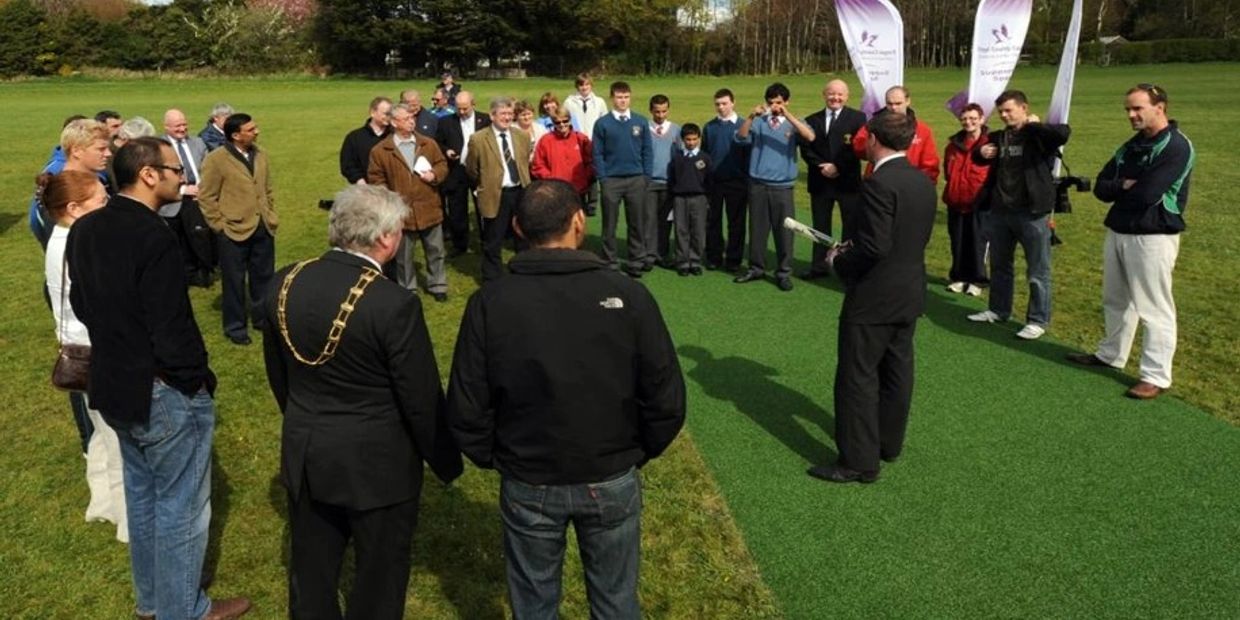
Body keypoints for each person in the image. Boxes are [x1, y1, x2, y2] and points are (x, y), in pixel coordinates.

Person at [447, 179, 686, 620]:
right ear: (579, 221)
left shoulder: (623, 295)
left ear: (517, 227)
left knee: (551, 606)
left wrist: (633, 453)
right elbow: (666, 396)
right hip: (570, 473)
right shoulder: (493, 302)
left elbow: (664, 398)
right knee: (611, 604)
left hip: (563, 472)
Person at [67, 136, 250, 620]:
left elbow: (83, 305)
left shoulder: (86, 229)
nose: (182, 176)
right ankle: (182, 609)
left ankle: (153, 602)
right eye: (174, 169)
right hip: (162, 389)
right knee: (180, 506)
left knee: (145, 498)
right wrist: (195, 382)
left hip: (113, 384)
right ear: (149, 174)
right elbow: (172, 325)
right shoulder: (154, 235)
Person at [262, 183, 463, 620]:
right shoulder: (393, 304)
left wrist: (302, 419)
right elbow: (420, 396)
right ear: (387, 238)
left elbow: (279, 375)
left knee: (311, 568)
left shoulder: (284, 281)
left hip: (306, 449)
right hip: (378, 465)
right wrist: (446, 460)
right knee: (380, 575)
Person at [810, 111, 936, 484]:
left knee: (858, 376)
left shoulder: (879, 184)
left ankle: (858, 461)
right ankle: (887, 443)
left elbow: (875, 246)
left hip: (874, 296)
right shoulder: (922, 180)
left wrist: (839, 260)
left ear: (875, 140)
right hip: (909, 290)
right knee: (897, 371)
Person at [1067, 83, 1195, 400]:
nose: (1131, 114)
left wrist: (1123, 187)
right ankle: (1111, 354)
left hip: (1154, 235)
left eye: (1138, 108)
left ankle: (1155, 375)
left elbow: (1148, 194)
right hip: (1119, 229)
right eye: (1128, 109)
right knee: (1115, 299)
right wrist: (1124, 184)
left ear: (1160, 108)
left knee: (1154, 307)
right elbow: (1101, 187)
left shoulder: (1176, 146)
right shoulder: (1131, 145)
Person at [40, 169, 128, 542]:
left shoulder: (61, 238)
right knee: (120, 439)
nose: (109, 206)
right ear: (74, 208)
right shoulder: (79, 244)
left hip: (79, 348)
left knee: (102, 431)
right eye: (101, 201)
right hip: (96, 350)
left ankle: (103, 503)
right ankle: (128, 521)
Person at [966, 90, 1071, 340]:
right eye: (1001, 111)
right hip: (1001, 211)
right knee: (1000, 265)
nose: (1004, 115)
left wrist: (1036, 126)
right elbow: (977, 155)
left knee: (1037, 270)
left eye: (1009, 110)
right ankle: (998, 309)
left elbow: (1062, 134)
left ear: (1024, 108)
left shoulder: (1037, 135)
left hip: (1032, 213)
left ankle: (1037, 320)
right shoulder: (999, 137)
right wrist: (981, 153)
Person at [198, 113, 278, 346]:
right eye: (251, 129)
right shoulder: (216, 159)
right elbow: (206, 196)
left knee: (264, 277)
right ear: (235, 135)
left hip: (262, 226)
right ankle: (235, 327)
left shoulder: (260, 154)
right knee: (234, 281)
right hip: (233, 231)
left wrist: (270, 214)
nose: (257, 131)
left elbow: (267, 188)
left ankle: (262, 319)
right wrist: (219, 226)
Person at [732, 82, 815, 292]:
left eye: (779, 102)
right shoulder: (759, 122)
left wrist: (788, 115)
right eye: (771, 102)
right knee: (757, 230)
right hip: (758, 184)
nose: (775, 106)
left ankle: (784, 272)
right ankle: (756, 268)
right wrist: (751, 116)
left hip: (783, 187)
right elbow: (740, 137)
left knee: (784, 232)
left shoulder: (794, 123)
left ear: (786, 102)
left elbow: (810, 136)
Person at [367, 103, 451, 301]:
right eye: (406, 119)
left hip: (429, 207)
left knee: (436, 250)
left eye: (412, 117)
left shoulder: (428, 144)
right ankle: (408, 289)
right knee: (403, 257)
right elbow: (376, 180)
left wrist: (435, 174)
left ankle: (438, 285)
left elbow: (442, 165)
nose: (412, 121)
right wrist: (391, 202)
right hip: (401, 214)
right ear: (394, 123)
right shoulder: (381, 151)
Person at [799, 79, 866, 278]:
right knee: (820, 227)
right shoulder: (811, 120)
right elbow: (806, 149)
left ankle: (846, 268)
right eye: (831, 93)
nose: (835, 98)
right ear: (824, 95)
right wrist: (822, 165)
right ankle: (819, 266)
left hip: (848, 183)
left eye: (840, 94)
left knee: (850, 228)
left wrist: (838, 167)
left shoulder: (858, 118)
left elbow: (858, 149)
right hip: (820, 182)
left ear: (847, 96)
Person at [466, 97, 532, 281]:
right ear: (492, 115)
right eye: (503, 114)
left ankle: (523, 273)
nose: (507, 117)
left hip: (519, 192)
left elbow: (524, 162)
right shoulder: (478, 139)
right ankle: (492, 279)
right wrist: (485, 184)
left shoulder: (522, 136)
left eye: (510, 114)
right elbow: (472, 169)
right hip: (495, 195)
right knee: (493, 240)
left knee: (523, 236)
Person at [592, 81, 654, 276]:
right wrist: (603, 178)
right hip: (612, 181)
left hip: (636, 179)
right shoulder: (602, 123)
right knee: (609, 224)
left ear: (630, 97)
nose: (623, 101)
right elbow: (597, 154)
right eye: (619, 97)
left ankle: (636, 260)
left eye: (626, 97)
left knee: (637, 222)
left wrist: (646, 176)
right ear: (612, 98)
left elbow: (647, 150)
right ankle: (609, 260)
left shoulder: (640, 121)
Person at [29, 119, 112, 248]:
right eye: (101, 149)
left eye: (108, 148)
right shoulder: (61, 191)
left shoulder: (97, 179)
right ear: (76, 151)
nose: (108, 154)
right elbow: (38, 224)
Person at [162, 108, 216, 288]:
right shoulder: (160, 147)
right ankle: (187, 273)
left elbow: (208, 169)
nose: (182, 129)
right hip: (174, 200)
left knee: (201, 235)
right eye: (177, 126)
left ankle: (205, 270)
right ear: (166, 127)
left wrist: (203, 188)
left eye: (184, 124)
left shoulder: (198, 142)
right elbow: (160, 176)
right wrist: (184, 189)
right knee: (180, 240)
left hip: (199, 197)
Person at [941, 103, 991, 297]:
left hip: (979, 203)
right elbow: (948, 172)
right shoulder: (952, 146)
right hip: (956, 200)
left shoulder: (989, 144)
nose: (968, 122)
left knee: (978, 242)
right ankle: (959, 277)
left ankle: (977, 280)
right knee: (958, 241)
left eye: (973, 118)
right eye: (964, 119)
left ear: (982, 119)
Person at [435, 90, 491, 255]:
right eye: (458, 108)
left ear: (473, 104)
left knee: (483, 207)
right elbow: (437, 142)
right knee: (457, 209)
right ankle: (459, 245)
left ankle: (486, 241)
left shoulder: (485, 120)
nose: (461, 111)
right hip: (456, 170)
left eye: (465, 108)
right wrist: (447, 151)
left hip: (479, 170)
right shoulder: (446, 122)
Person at [702, 88, 749, 272]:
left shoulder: (744, 125)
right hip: (714, 182)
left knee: (736, 223)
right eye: (718, 104)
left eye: (724, 103)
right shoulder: (709, 127)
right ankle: (714, 256)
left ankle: (733, 260)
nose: (721, 107)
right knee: (712, 221)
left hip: (737, 182)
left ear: (733, 103)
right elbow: (705, 155)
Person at [851, 86, 940, 183]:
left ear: (907, 101)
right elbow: (858, 146)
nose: (894, 108)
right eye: (890, 104)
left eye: (898, 103)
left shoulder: (922, 130)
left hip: (909, 182)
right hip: (879, 180)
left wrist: (924, 184)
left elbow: (930, 164)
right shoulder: (875, 125)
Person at [668, 123, 711, 276]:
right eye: (688, 139)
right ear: (683, 140)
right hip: (680, 199)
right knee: (681, 230)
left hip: (699, 198)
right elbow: (672, 178)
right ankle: (683, 262)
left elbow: (709, 179)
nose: (691, 143)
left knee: (698, 231)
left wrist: (706, 198)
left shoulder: (705, 158)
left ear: (699, 139)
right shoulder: (677, 158)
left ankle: (695, 260)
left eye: (694, 139)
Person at [531, 108, 593, 207]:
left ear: (570, 120)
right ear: (553, 123)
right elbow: (538, 165)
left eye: (565, 121)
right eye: (557, 122)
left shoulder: (581, 139)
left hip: (578, 190)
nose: (562, 124)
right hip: (555, 191)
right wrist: (551, 179)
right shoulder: (545, 141)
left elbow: (591, 161)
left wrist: (584, 178)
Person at [647, 94, 681, 268]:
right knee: (649, 220)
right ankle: (649, 254)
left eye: (664, 111)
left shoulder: (676, 130)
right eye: (657, 111)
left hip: (668, 184)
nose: (660, 115)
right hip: (649, 183)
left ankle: (662, 253)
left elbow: (681, 158)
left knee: (666, 221)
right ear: (651, 110)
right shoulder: (645, 128)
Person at [339, 96, 393, 184]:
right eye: (386, 114)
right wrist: (359, 180)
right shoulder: (354, 137)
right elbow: (348, 165)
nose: (389, 117)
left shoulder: (395, 135)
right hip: (365, 187)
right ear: (372, 112)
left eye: (391, 114)